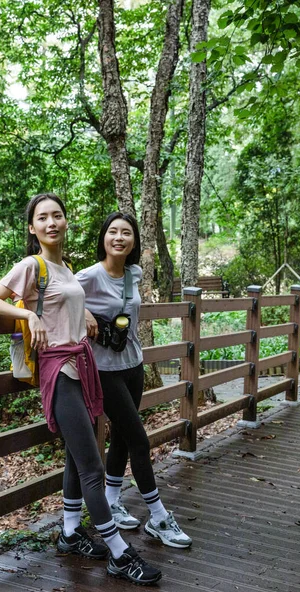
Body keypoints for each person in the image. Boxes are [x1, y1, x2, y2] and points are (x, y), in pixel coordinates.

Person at [0, 194, 161, 585]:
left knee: (75, 458)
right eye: (42, 218)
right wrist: (28, 312)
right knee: (93, 466)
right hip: (59, 372)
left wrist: (88, 319)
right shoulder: (33, 265)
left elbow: (70, 308)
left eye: (57, 216)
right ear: (32, 228)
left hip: (83, 367)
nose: (51, 223)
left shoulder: (66, 268)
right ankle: (119, 554)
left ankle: (70, 532)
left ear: (66, 222)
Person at [76, 212, 192, 549]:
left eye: (126, 233)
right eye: (112, 231)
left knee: (125, 440)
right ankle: (158, 517)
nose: (119, 237)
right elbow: (57, 294)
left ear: (134, 241)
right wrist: (82, 311)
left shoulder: (134, 274)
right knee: (141, 441)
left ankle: (111, 501)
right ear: (103, 238)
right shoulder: (89, 276)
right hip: (104, 371)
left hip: (133, 365)